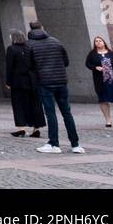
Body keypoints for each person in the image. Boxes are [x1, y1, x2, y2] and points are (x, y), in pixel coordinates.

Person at [27, 20, 84, 154]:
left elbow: (29, 66)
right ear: (42, 27)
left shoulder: (30, 44)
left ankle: (54, 143)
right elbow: (66, 61)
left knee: (50, 113)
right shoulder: (55, 41)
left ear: (30, 29)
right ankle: (75, 144)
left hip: (45, 82)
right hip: (61, 81)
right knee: (67, 113)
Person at [4, 30, 45, 138]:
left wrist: (8, 82)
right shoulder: (29, 47)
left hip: (18, 81)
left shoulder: (11, 49)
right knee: (35, 104)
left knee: (19, 105)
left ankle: (21, 128)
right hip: (32, 81)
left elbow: (9, 67)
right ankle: (36, 128)